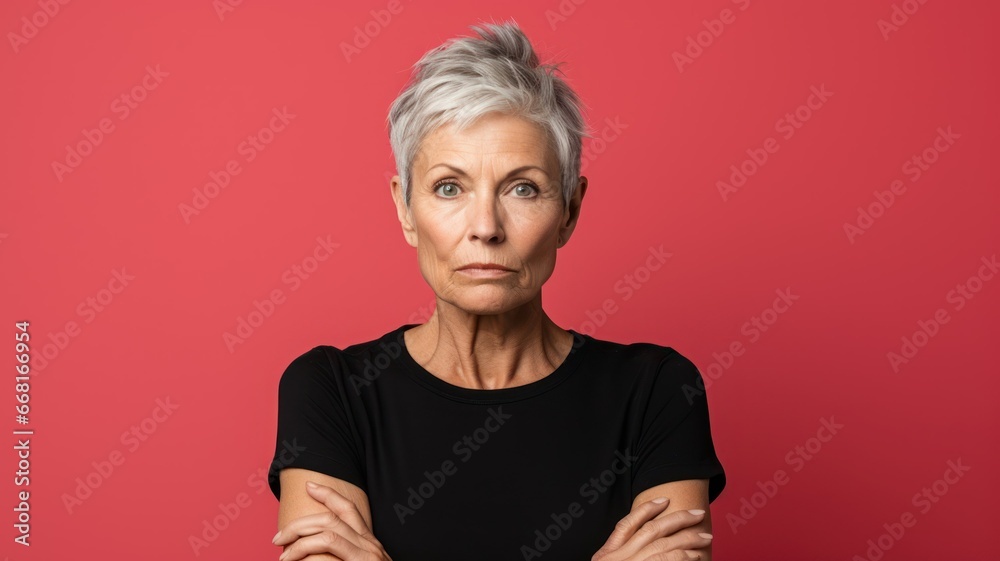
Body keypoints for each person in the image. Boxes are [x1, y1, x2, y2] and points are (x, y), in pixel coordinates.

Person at [267, 19, 726, 561]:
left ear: (569, 210)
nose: (485, 226)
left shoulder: (656, 392)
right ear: (404, 208)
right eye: (449, 187)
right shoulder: (331, 391)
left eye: (523, 188)